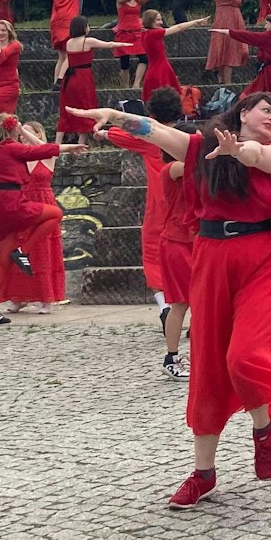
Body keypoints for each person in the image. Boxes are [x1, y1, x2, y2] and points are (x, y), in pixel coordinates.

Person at [71, 95, 271, 510]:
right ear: (243, 112)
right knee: (209, 368)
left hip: (264, 262)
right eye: (266, 110)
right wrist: (117, 116)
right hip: (212, 258)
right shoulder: (201, 151)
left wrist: (238, 150)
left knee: (244, 357)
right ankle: (203, 474)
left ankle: (263, 428)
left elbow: (256, 157)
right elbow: (159, 133)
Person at [91, 88, 193, 378]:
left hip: (160, 207)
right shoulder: (186, 140)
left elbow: (117, 133)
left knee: (154, 259)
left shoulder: (152, 140)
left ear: (151, 113)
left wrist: (104, 132)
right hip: (191, 213)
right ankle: (196, 336)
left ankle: (165, 307)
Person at [0, 115, 85, 326]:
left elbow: (39, 150)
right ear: (12, 131)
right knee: (55, 214)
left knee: (4, 263)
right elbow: (40, 150)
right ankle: (23, 251)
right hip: (14, 205)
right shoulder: (10, 148)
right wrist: (70, 147)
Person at [10, 123, 69, 313]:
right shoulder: (19, 155)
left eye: (27, 132)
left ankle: (46, 299)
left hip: (45, 203)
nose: (22, 136)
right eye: (20, 133)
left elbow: (41, 146)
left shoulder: (47, 154)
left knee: (44, 251)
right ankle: (19, 297)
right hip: (24, 203)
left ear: (37, 133)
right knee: (21, 249)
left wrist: (21, 129)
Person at [54, 18, 133, 144]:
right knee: (86, 107)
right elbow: (108, 45)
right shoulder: (88, 41)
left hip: (69, 80)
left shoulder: (69, 43)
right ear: (84, 27)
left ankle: (57, 143)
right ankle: (81, 143)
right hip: (83, 78)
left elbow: (67, 61)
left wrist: (59, 79)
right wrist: (123, 44)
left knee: (66, 110)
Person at [218, 13, 271, 104]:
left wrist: (229, 32)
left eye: (267, 24)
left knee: (264, 99)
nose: (265, 27)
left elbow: (250, 36)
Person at [206, 0, 262, 84]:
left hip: (235, 19)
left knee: (240, 49)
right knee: (226, 49)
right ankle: (225, 82)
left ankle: (222, 78)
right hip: (225, 19)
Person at [108, 0, 164, 91]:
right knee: (125, 62)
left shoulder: (138, 0)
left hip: (137, 33)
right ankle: (125, 87)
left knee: (144, 59)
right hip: (124, 34)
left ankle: (136, 84)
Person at [141, 12, 209, 97]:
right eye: (158, 20)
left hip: (156, 69)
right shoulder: (153, 34)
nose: (161, 22)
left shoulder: (146, 33)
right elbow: (179, 28)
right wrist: (195, 22)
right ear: (150, 21)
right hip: (160, 70)